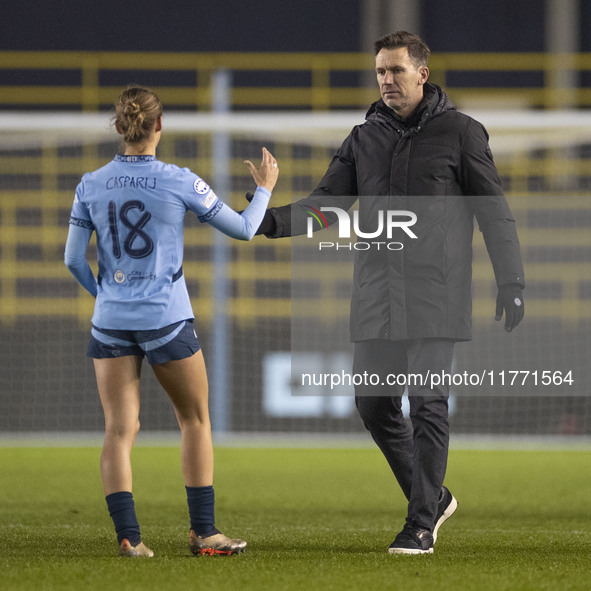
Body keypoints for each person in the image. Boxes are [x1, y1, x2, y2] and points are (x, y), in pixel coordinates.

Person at [251, 31, 524, 554]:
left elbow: (493, 210)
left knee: (427, 404)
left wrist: (510, 281)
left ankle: (421, 523)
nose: (386, 79)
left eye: (396, 70)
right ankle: (437, 498)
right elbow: (329, 204)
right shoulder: (363, 137)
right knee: (374, 404)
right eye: (380, 71)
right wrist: (271, 221)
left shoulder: (463, 133)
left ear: (422, 73)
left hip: (435, 296)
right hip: (376, 294)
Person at [64, 86, 279, 557]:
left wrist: (107, 297)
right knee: (194, 419)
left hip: (111, 322)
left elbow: (73, 260)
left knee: (119, 430)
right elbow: (244, 229)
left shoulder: (90, 183)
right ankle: (204, 533)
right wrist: (264, 189)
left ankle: (130, 537)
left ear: (120, 128)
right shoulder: (179, 180)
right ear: (159, 127)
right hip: (166, 319)